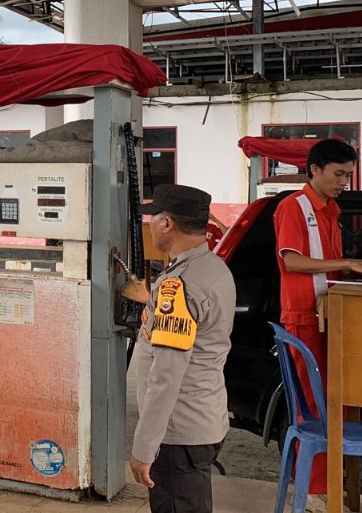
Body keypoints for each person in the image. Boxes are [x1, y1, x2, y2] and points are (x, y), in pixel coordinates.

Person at [273, 139, 362, 498]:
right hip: (305, 317)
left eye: (348, 175)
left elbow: (326, 267)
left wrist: (353, 272)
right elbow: (292, 261)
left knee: (335, 404)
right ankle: (315, 493)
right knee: (314, 409)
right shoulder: (294, 206)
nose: (344, 182)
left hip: (331, 317)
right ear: (315, 170)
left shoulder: (331, 210)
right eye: (338, 174)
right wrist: (348, 263)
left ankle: (333, 487)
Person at [129, 185, 236, 513]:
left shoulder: (179, 285)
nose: (149, 225)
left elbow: (166, 375)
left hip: (178, 433)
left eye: (152, 218)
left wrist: (144, 446)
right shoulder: (213, 268)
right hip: (203, 418)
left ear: (167, 223)